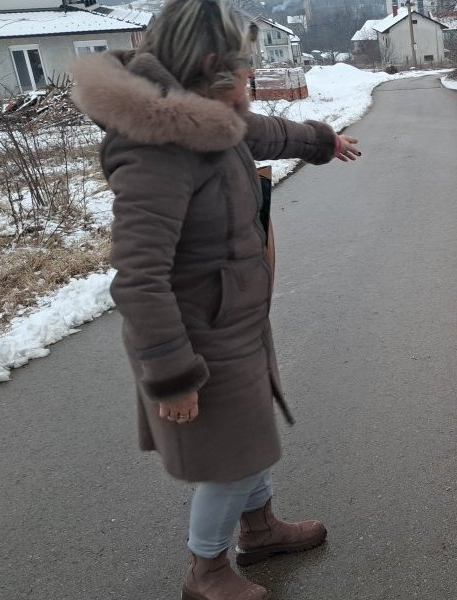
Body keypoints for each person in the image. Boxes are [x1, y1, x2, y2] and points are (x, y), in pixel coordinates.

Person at [71, 1, 359, 598]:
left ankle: (260, 529)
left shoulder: (206, 118)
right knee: (232, 461)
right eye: (245, 66)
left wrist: (321, 141)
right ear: (211, 67)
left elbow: (263, 131)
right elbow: (137, 276)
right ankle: (206, 571)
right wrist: (172, 375)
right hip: (198, 339)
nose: (253, 76)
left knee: (250, 439)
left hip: (234, 320)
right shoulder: (156, 150)